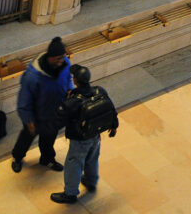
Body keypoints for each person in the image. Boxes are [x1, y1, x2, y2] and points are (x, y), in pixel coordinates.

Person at [49, 65, 118, 204]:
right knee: (92, 158)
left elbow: (59, 120)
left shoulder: (74, 101)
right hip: (96, 134)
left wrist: (65, 102)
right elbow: (111, 108)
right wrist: (114, 126)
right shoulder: (99, 90)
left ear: (75, 80)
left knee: (74, 163)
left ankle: (70, 194)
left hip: (80, 138)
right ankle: (91, 182)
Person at [12, 36, 74, 173]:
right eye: (58, 58)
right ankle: (17, 158)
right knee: (26, 139)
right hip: (35, 116)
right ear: (50, 57)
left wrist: (70, 89)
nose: (61, 61)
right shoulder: (32, 76)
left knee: (49, 139)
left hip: (54, 113)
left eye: (63, 57)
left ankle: (47, 159)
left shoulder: (65, 64)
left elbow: (69, 78)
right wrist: (28, 121)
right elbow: (24, 101)